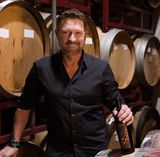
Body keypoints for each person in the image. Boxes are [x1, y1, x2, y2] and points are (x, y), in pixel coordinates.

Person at [0, 9, 133, 157]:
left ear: (85, 35)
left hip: (94, 152)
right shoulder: (41, 68)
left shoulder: (100, 69)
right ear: (57, 34)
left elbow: (116, 102)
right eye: (66, 32)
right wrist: (14, 143)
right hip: (58, 151)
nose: (72, 39)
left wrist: (124, 111)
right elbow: (24, 106)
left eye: (78, 33)